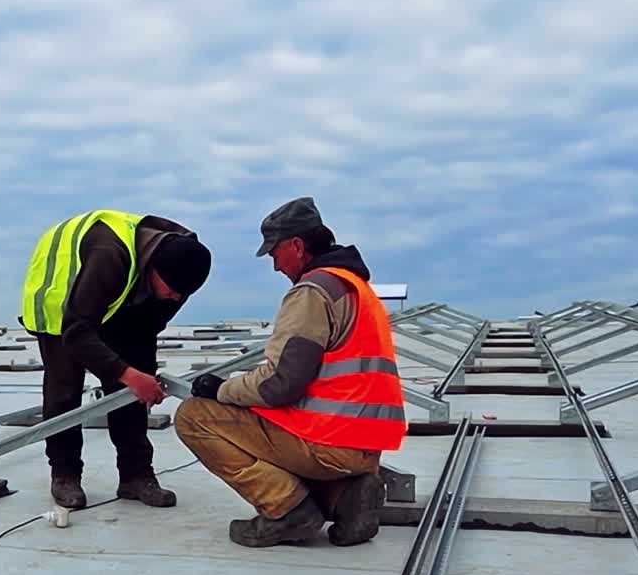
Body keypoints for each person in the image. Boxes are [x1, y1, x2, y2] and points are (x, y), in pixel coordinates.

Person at [174, 197, 405, 548]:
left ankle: (287, 510)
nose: (274, 266)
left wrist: (221, 389)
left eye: (273, 253)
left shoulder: (312, 292)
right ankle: (343, 495)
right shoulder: (358, 289)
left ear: (296, 246)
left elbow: (282, 384)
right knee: (268, 419)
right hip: (366, 447)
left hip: (328, 441)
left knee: (193, 417)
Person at [20, 209, 212, 511]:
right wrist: (128, 374)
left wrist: (139, 376)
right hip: (62, 311)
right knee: (64, 392)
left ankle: (136, 475)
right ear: (153, 270)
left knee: (129, 394)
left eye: (182, 295)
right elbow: (77, 331)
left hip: (117, 303)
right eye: (172, 291)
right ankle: (65, 474)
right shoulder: (109, 256)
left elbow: (147, 328)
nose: (176, 298)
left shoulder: (181, 264)